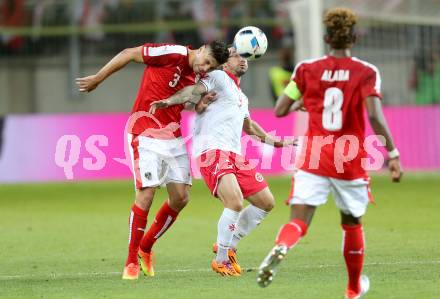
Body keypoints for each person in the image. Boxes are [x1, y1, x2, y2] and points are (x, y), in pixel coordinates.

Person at [257, 8, 403, 299]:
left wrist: (304, 103)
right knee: (351, 222)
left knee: (298, 220)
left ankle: (283, 244)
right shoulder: (366, 71)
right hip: (349, 158)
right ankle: (352, 289)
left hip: (314, 155)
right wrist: (393, 153)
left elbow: (280, 109)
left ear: (325, 38)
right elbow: (374, 116)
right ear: (355, 37)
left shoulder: (306, 69)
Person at [76, 40, 229, 280]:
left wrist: (201, 106)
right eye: (206, 61)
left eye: (211, 67)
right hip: (144, 130)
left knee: (180, 198)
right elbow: (128, 52)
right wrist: (98, 78)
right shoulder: (173, 53)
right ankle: (130, 261)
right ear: (200, 50)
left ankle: (145, 248)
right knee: (146, 193)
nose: (205, 68)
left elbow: (186, 103)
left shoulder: (198, 79)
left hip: (173, 136)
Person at [150, 49, 295, 276]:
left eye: (245, 57)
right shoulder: (217, 78)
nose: (242, 60)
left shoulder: (241, 96)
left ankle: (228, 244)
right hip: (212, 151)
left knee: (265, 202)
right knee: (235, 202)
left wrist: (277, 143)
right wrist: (170, 101)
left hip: (234, 154)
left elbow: (249, 127)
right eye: (237, 56)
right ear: (224, 63)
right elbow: (193, 91)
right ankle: (221, 260)